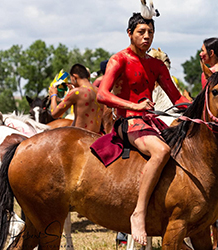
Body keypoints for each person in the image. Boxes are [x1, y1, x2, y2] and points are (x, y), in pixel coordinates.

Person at [96, 12, 190, 246]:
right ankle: (138, 214)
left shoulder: (156, 65)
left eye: (150, 32)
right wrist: (134, 105)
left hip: (149, 122)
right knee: (161, 151)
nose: (146, 37)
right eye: (141, 32)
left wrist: (206, 107)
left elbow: (178, 99)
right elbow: (102, 94)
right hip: (127, 122)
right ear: (129, 34)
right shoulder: (119, 59)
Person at [49, 63, 104, 134]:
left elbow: (55, 114)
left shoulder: (76, 92)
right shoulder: (99, 91)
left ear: (74, 77)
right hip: (96, 137)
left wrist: (53, 95)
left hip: (80, 137)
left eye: (71, 79)